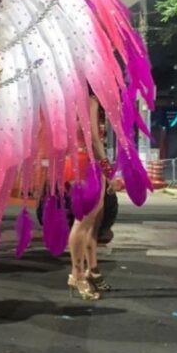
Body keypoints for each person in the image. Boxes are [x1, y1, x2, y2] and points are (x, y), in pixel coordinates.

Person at [66, 95, 114, 300]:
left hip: (86, 163)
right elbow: (93, 138)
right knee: (83, 221)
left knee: (93, 222)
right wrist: (107, 169)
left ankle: (91, 269)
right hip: (87, 165)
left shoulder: (80, 99)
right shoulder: (89, 101)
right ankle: (77, 274)